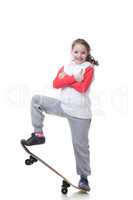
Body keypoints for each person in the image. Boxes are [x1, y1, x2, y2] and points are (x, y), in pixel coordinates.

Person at [21, 38, 99, 191]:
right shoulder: (67, 67)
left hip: (80, 114)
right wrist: (73, 79)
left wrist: (66, 81)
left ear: (87, 54)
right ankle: (38, 135)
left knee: (80, 146)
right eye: (76, 52)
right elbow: (55, 84)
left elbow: (83, 87)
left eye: (83, 52)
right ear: (72, 52)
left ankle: (84, 178)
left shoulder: (88, 68)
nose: (79, 55)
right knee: (36, 100)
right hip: (63, 106)